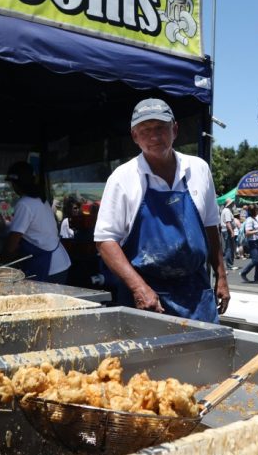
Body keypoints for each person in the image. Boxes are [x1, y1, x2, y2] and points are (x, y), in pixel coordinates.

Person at [94, 99, 230, 321]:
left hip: (197, 292)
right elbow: (105, 241)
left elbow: (210, 225)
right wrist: (138, 288)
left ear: (174, 130)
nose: (154, 137)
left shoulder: (199, 169)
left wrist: (222, 276)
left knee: (205, 354)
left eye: (160, 128)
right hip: (149, 295)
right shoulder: (122, 178)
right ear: (135, 136)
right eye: (145, 130)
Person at [4, 161, 71, 284]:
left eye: (12, 184)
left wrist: (2, 262)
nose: (13, 187)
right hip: (60, 262)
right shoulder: (40, 199)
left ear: (17, 184)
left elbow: (12, 242)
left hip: (49, 266)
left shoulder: (24, 203)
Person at [238, 205, 258, 284]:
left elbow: (256, 231)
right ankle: (243, 272)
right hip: (252, 242)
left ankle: (257, 279)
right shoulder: (249, 220)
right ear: (253, 211)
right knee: (255, 260)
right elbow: (248, 232)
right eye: (257, 210)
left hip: (257, 241)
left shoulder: (254, 219)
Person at [221, 202, 237, 269]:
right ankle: (229, 264)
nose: (233, 205)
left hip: (226, 230)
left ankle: (229, 263)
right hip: (227, 231)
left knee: (229, 247)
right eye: (233, 204)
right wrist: (232, 231)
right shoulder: (227, 211)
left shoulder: (225, 210)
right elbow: (228, 223)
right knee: (229, 247)